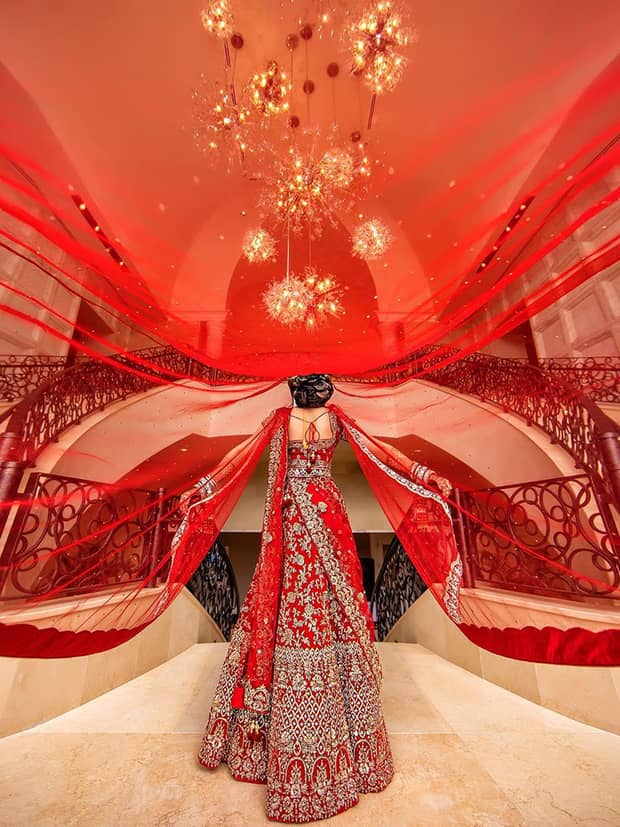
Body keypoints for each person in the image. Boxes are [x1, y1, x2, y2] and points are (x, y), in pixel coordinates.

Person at [177, 374, 453, 823]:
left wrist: (427, 476)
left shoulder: (300, 421)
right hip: (310, 516)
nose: (318, 393)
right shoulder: (309, 420)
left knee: (330, 605)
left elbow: (381, 452)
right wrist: (204, 488)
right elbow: (241, 456)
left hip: (313, 517)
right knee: (297, 600)